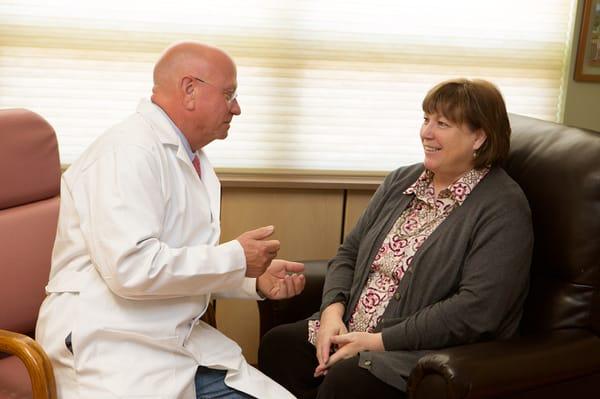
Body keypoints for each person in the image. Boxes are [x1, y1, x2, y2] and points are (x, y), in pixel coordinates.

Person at [35, 41, 306, 399]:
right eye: (229, 94)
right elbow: (131, 269)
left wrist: (248, 278)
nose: (237, 108)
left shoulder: (191, 157)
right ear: (190, 90)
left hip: (165, 338)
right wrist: (237, 260)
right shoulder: (127, 152)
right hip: (110, 341)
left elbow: (179, 258)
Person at [258, 78, 534, 399]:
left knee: (347, 380)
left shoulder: (503, 207)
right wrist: (332, 314)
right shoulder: (402, 180)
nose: (426, 132)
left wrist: (375, 341)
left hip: (415, 350)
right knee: (280, 347)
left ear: (479, 137)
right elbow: (349, 253)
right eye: (425, 119)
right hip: (351, 329)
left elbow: (477, 310)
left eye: (442, 124)